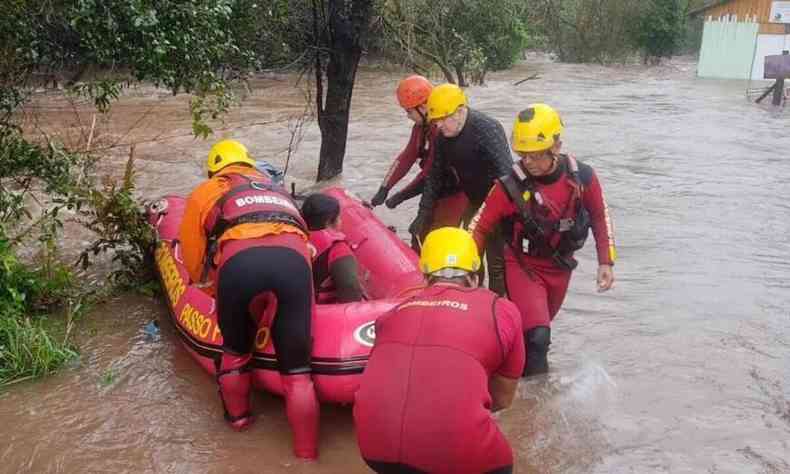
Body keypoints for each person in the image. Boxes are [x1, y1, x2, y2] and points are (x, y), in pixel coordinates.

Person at [179, 139, 319, 460]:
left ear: (215, 170)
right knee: (298, 372)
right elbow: (305, 240)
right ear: (248, 163)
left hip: (241, 265)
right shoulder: (277, 189)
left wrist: (208, 285)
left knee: (236, 353)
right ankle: (307, 455)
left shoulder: (207, 191)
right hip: (293, 264)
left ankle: (238, 426)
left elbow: (192, 255)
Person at [354, 227, 524, 474]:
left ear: (424, 277)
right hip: (459, 458)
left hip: (374, 449)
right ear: (475, 276)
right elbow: (503, 399)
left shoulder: (391, 315)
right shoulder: (502, 309)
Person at [469, 104, 616, 376]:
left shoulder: (583, 177)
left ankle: (512, 381)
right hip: (522, 265)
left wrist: (605, 261)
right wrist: (459, 266)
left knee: (535, 337)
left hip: (561, 268)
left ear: (556, 147)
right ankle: (532, 410)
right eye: (524, 156)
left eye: (536, 156)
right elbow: (479, 226)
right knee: (538, 337)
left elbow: (600, 215)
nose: (529, 163)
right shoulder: (509, 185)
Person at [408, 83, 513, 295]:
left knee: (497, 265)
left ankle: (498, 310)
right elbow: (434, 178)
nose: (439, 126)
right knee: (469, 259)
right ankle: (470, 303)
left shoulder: (487, 129)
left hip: (501, 206)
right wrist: (423, 215)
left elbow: (507, 177)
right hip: (474, 202)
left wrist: (496, 216)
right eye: (435, 122)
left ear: (460, 111)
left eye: (444, 119)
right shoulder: (442, 137)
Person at [369, 75, 468, 247]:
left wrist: (401, 196)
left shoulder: (441, 131)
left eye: (409, 111)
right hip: (435, 191)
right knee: (419, 237)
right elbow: (407, 157)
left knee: (436, 241)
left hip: (455, 194)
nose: (407, 116)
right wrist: (384, 188)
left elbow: (428, 173)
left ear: (423, 107)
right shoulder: (420, 128)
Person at [301, 193, 365, 303]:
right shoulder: (338, 249)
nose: (341, 221)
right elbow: (351, 289)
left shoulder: (294, 233)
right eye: (339, 217)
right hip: (320, 309)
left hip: (295, 299)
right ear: (329, 222)